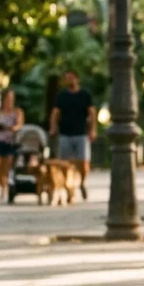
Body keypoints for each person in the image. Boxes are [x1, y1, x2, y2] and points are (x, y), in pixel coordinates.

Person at [49, 71, 96, 200]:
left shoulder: (84, 95)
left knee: (84, 162)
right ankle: (69, 188)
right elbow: (55, 113)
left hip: (81, 132)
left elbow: (92, 113)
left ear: (77, 78)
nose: (69, 80)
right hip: (65, 133)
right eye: (66, 78)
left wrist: (93, 130)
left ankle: (82, 183)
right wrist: (53, 127)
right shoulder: (62, 96)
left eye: (71, 78)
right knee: (65, 163)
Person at [0, 89, 24, 203]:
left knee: (8, 167)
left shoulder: (17, 111)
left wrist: (12, 128)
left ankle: (6, 187)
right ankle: (2, 185)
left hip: (11, 142)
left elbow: (19, 125)